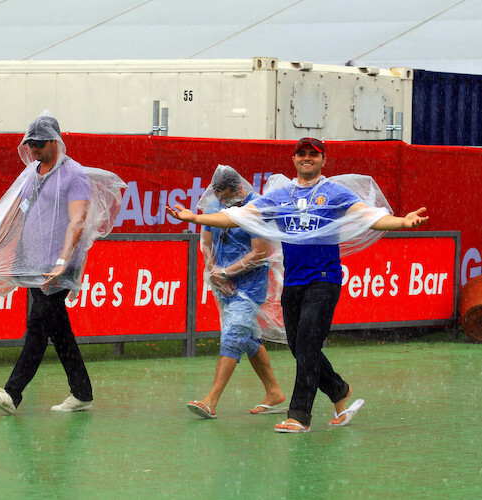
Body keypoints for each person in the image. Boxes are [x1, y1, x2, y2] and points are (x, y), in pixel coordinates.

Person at [167, 137, 428, 433]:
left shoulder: (334, 192)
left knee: (305, 345)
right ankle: (339, 390)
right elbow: (237, 216)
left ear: (323, 161)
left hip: (324, 280)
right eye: (302, 153)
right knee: (300, 346)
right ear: (294, 159)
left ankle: (299, 415)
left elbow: (368, 217)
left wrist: (402, 222)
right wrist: (195, 216)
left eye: (313, 154)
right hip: (293, 282)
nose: (307, 158)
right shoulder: (281, 196)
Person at [0, 111, 126, 415]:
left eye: (40, 143)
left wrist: (62, 260)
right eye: (30, 144)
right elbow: (17, 214)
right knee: (59, 332)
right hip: (34, 266)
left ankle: (12, 393)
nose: (34, 149)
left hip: (58, 266)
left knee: (36, 327)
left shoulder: (74, 176)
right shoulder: (33, 173)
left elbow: (78, 222)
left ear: (56, 141)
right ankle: (82, 392)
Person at [186, 165, 286, 419]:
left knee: (232, 335)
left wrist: (227, 271)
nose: (222, 202)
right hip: (223, 285)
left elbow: (260, 253)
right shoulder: (214, 206)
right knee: (248, 338)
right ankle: (274, 391)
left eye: (227, 196)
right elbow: (206, 244)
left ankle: (211, 400)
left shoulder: (255, 209)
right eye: (219, 196)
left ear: (239, 188)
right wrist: (214, 273)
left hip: (250, 287)